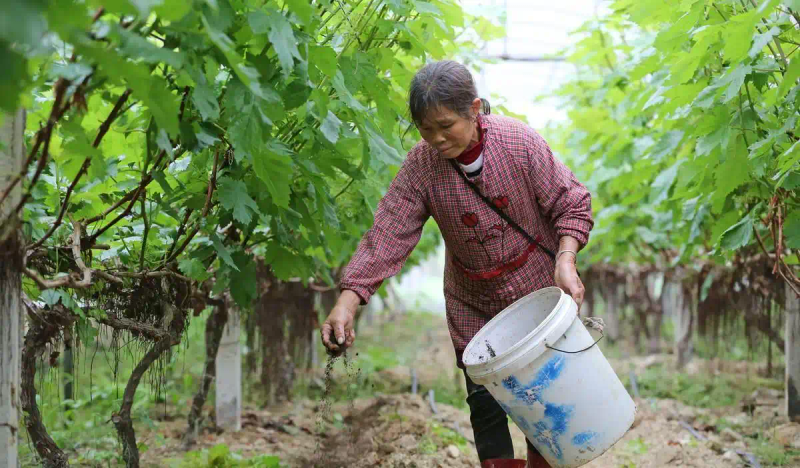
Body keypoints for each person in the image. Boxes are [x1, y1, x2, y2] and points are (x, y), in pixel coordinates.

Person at [320, 60, 593, 468]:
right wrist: (347, 301)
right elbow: (389, 232)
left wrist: (566, 258)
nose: (436, 138)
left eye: (445, 125)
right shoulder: (421, 167)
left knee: (544, 397)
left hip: (537, 292)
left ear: (474, 110)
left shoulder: (518, 143)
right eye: (425, 129)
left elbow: (571, 201)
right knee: (485, 404)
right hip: (473, 302)